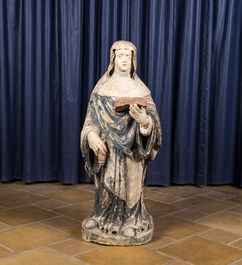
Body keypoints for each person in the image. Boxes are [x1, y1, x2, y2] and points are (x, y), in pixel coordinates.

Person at [80, 40, 161, 244]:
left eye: (128, 56)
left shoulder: (140, 88)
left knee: (131, 185)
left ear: (133, 61)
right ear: (113, 59)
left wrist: (144, 123)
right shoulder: (102, 87)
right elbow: (92, 119)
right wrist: (91, 136)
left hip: (131, 152)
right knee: (105, 188)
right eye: (120, 56)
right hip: (107, 149)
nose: (124, 60)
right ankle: (100, 217)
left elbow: (154, 123)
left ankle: (131, 221)